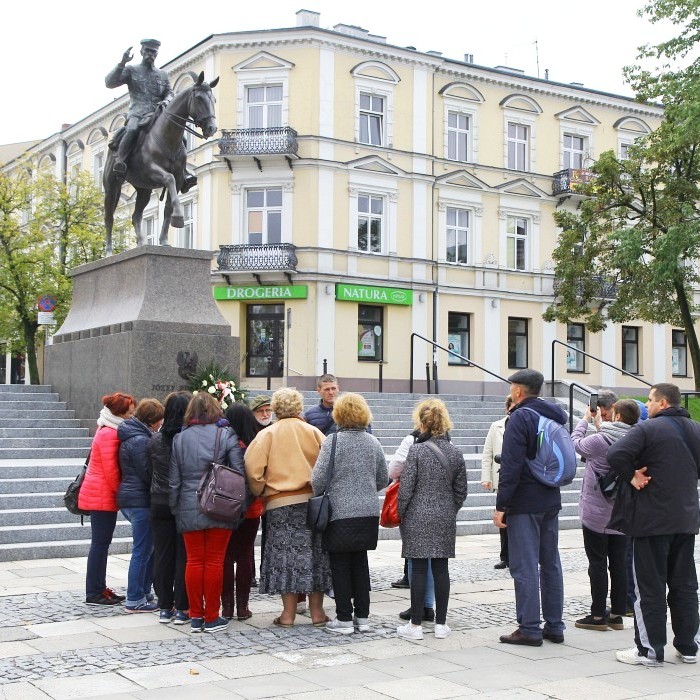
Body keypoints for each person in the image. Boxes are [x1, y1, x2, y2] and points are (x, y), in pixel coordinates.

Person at [607, 383, 700, 667]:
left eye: (650, 400)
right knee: (685, 585)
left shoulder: (647, 429)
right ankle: (689, 647)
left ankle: (649, 650)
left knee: (650, 586)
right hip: (685, 519)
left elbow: (615, 456)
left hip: (651, 520)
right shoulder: (696, 429)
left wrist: (632, 476)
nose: (647, 405)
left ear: (662, 403)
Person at [244, 388, 331, 627]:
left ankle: (288, 615)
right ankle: (317, 613)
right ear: (299, 407)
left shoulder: (267, 435)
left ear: (275, 409)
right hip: (312, 502)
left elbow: (252, 469)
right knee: (315, 556)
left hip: (280, 504)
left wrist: (262, 491)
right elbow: (327, 465)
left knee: (285, 558)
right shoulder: (313, 432)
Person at [495, 368, 568, 647]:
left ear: (517, 390)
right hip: (550, 497)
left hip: (525, 501)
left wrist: (502, 505)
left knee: (524, 566)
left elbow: (511, 466)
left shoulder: (520, 416)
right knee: (550, 563)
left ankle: (528, 628)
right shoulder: (553, 415)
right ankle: (555, 625)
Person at [311, 393, 388, 634]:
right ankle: (362, 617)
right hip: (367, 512)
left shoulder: (332, 442)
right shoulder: (372, 442)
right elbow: (383, 478)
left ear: (339, 414)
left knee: (340, 565)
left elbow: (318, 480)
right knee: (361, 563)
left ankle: (344, 618)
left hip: (339, 513)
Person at [170, 393, 246, 633]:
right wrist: (241, 507)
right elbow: (239, 473)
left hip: (187, 504)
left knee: (193, 561)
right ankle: (212, 616)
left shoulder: (179, 439)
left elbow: (174, 481)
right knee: (214, 561)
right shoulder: (226, 435)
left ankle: (195, 616)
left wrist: (176, 507)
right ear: (215, 410)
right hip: (219, 504)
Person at [396, 399, 467, 641]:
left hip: (417, 515)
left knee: (417, 569)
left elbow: (406, 488)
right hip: (444, 516)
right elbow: (461, 491)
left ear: (422, 423)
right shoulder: (456, 452)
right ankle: (441, 624)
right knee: (441, 568)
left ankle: (415, 625)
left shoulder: (416, 451)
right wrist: (449, 509)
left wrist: (403, 512)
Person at [571, 399, 640, 632]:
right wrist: (600, 425)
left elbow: (576, 444)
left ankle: (598, 615)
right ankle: (618, 614)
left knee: (597, 563)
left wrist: (585, 420)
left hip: (596, 514)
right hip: (622, 513)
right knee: (619, 563)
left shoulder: (600, 440)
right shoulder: (636, 440)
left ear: (618, 417)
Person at [79, 392, 137, 606]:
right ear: (119, 413)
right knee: (100, 544)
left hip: (101, 493)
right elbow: (112, 471)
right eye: (130, 412)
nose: (133, 416)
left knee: (101, 544)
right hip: (102, 495)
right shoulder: (109, 434)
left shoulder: (107, 428)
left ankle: (98, 587)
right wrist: (121, 494)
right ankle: (94, 592)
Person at [146, 391, 191, 624]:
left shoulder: (154, 440)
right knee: (183, 555)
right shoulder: (187, 440)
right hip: (182, 502)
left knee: (162, 555)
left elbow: (148, 472)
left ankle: (165, 606)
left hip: (159, 501)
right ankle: (183, 607)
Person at [117, 398, 164, 613]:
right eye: (159, 421)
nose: (160, 425)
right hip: (139, 500)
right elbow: (147, 473)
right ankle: (135, 598)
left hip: (134, 498)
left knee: (148, 548)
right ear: (151, 420)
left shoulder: (136, 435)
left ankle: (144, 591)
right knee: (142, 550)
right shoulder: (139, 440)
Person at [221, 403, 265, 621]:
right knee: (245, 555)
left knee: (226, 557)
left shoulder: (222, 443)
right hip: (250, 509)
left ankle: (226, 607)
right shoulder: (254, 445)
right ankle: (243, 607)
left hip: (225, 508)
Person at [106, 40, 174, 177]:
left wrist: (166, 100)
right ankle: (120, 161)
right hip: (137, 112)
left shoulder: (162, 74)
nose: (151, 54)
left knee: (179, 137)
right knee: (132, 130)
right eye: (148, 51)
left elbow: (169, 92)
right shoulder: (132, 70)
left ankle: (182, 173)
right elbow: (110, 83)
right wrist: (122, 63)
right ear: (141, 52)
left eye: (154, 52)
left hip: (157, 114)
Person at [388, 429, 436, 623]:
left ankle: (418, 608)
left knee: (415, 559)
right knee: (434, 560)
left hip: (415, 506)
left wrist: (402, 508)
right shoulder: (448, 444)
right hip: (438, 507)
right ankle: (428, 606)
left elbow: (393, 471)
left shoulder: (412, 441)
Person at [481, 396, 513, 569]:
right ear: (506, 408)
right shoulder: (497, 426)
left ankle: (517, 555)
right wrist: (486, 477)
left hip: (519, 480)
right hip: (501, 478)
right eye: (511, 406)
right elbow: (488, 453)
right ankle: (505, 556)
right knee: (503, 518)